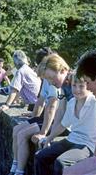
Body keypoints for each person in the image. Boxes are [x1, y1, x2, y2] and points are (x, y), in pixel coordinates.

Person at [34, 74, 96, 175]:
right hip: (72, 139)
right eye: (74, 85)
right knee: (40, 156)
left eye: (81, 86)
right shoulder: (71, 102)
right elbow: (63, 125)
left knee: (61, 163)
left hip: (88, 145)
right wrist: (48, 138)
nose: (77, 90)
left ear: (88, 86)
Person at [8, 47, 60, 175]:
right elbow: (40, 101)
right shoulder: (46, 80)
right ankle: (14, 165)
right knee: (16, 130)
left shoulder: (54, 79)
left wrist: (43, 132)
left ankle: (19, 172)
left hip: (55, 121)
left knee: (22, 134)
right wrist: (33, 117)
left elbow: (52, 106)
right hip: (46, 117)